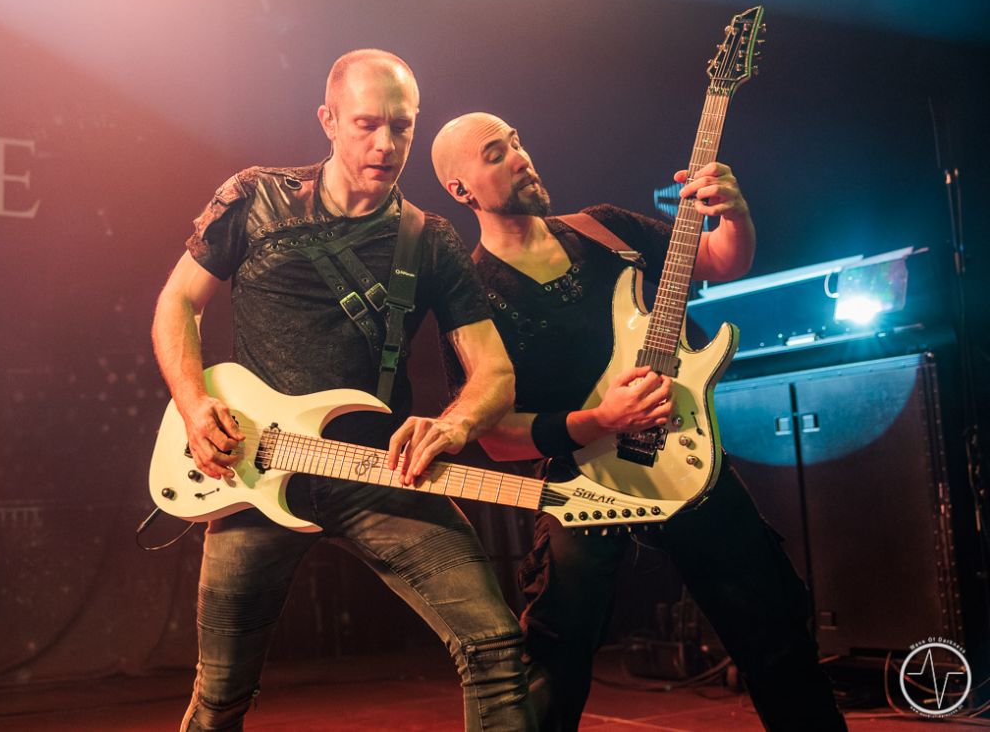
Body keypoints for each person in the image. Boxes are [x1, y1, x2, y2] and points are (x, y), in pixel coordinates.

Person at [151, 55, 536, 731]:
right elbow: (178, 301)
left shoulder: (430, 239)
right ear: (328, 121)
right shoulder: (256, 197)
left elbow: (495, 373)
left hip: (377, 471)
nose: (386, 144)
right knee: (220, 696)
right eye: (366, 125)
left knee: (497, 646)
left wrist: (451, 426)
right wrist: (192, 402)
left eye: (401, 127)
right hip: (254, 470)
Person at [430, 112, 847, 731]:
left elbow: (720, 260)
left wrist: (734, 214)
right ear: (460, 189)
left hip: (684, 455)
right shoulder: (472, 295)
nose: (520, 157)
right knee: (555, 661)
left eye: (517, 142)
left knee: (776, 634)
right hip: (582, 482)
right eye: (495, 154)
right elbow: (495, 437)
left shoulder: (602, 228)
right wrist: (601, 420)